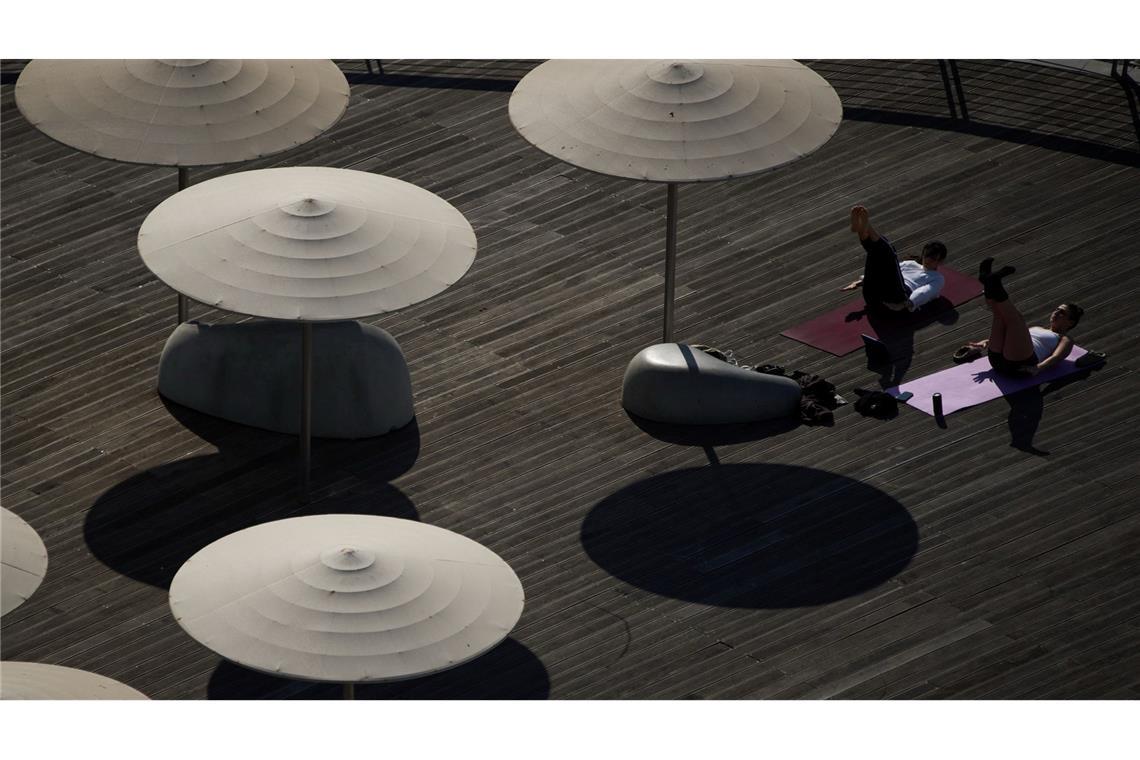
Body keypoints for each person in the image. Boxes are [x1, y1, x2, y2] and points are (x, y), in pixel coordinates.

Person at [965, 257, 1083, 376]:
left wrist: (1039, 367)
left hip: (1020, 365)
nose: (1056, 313)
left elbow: (1058, 356)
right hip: (997, 359)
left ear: (1070, 322)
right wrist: (985, 343)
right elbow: (1011, 339)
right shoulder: (1038, 328)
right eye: (1057, 309)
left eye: (1062, 312)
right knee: (999, 316)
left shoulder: (1065, 339)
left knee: (1016, 320)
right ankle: (988, 282)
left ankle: (992, 283)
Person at [842, 205, 947, 313]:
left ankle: (865, 227)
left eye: (934, 259)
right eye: (927, 256)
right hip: (874, 295)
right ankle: (861, 229)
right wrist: (860, 282)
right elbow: (884, 271)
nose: (929, 260)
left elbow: (926, 292)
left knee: (889, 253)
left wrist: (906, 304)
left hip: (897, 299)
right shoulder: (910, 264)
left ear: (941, 261)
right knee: (875, 254)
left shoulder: (937, 278)